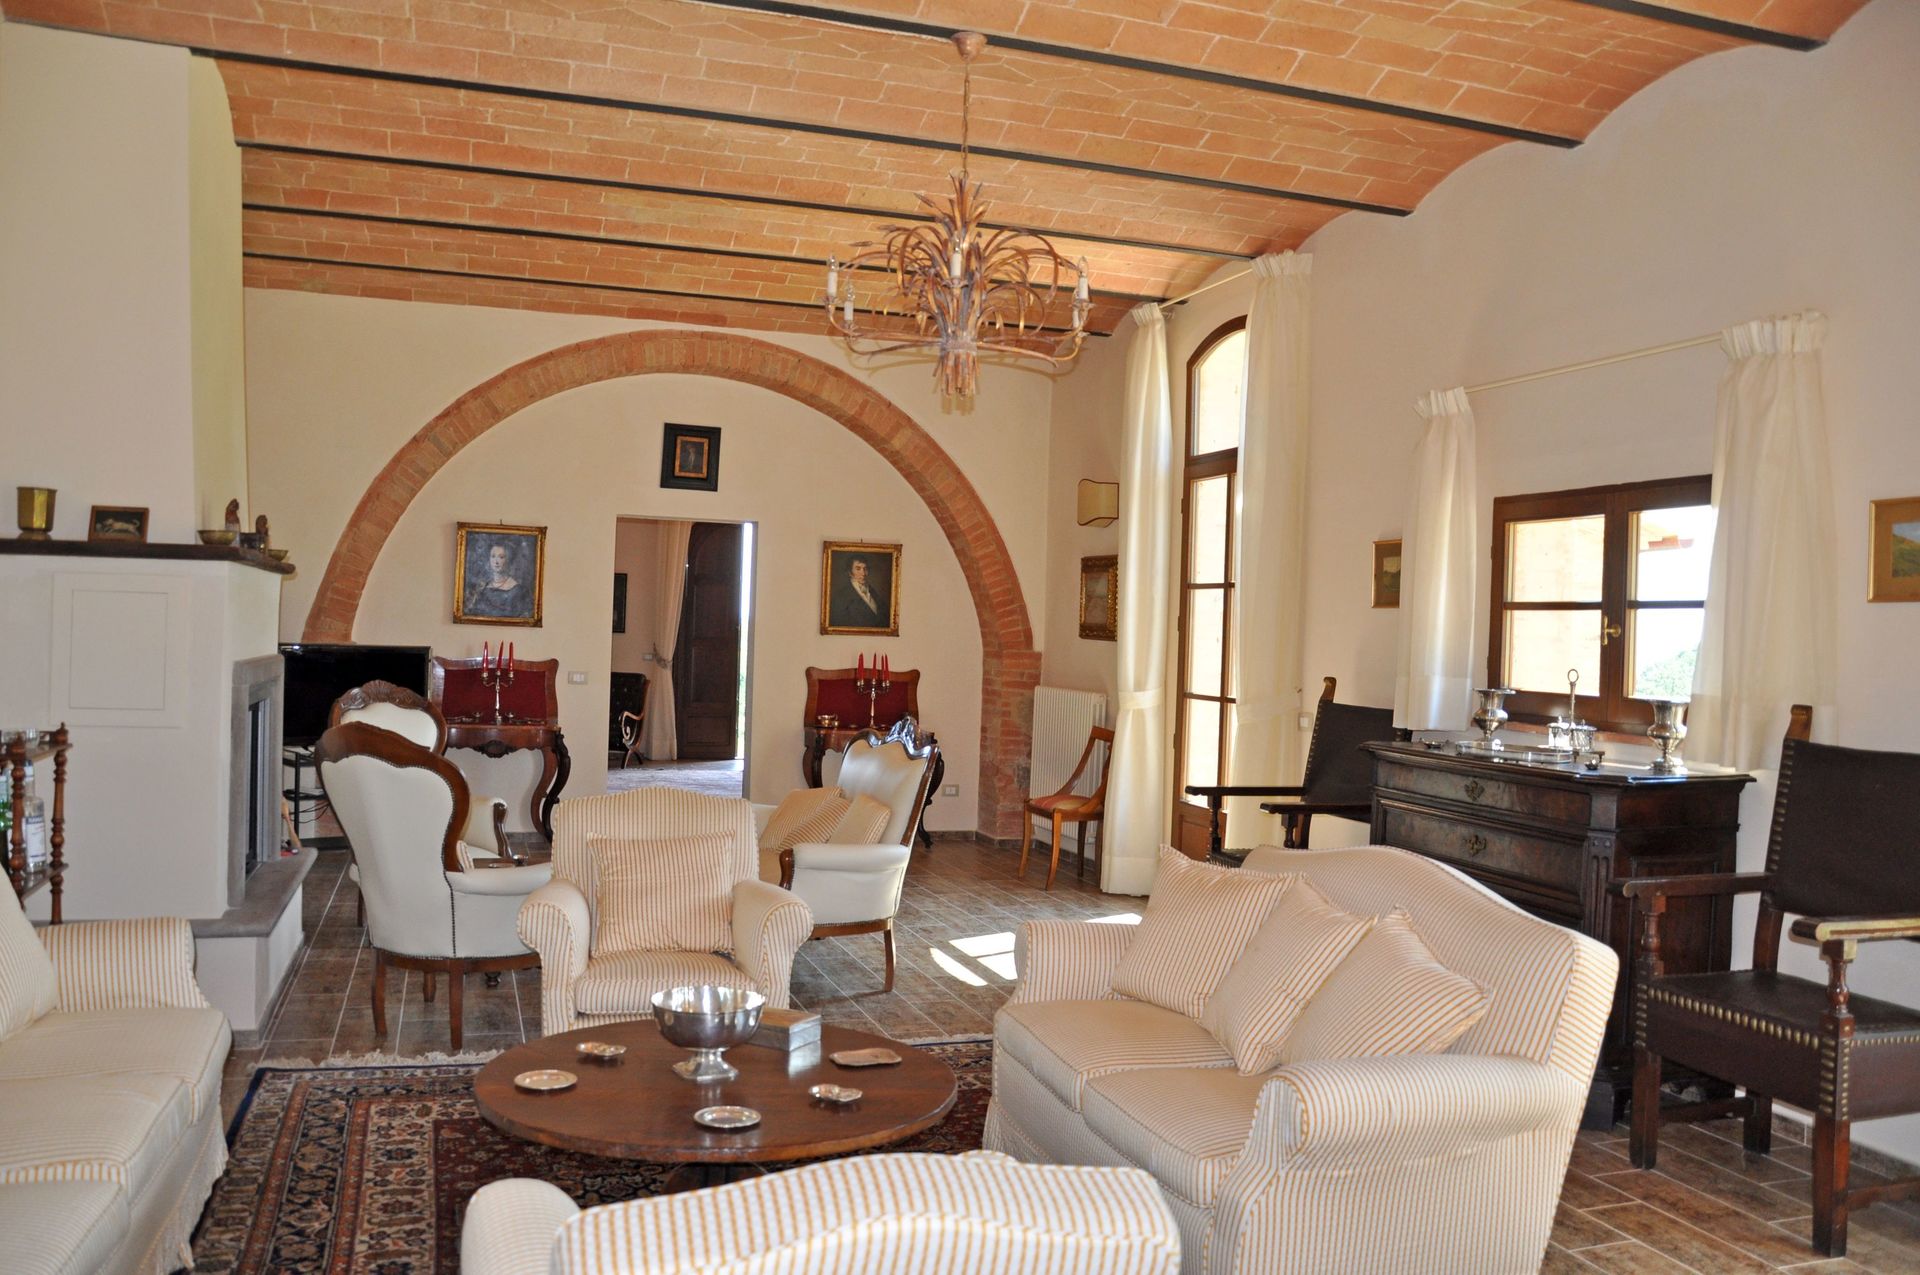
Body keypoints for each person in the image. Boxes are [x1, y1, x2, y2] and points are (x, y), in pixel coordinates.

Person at [466, 541, 531, 618]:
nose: (496, 561)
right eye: (493, 556)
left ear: (508, 559)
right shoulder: (482, 589)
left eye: (501, 557)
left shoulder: (519, 591)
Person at [828, 554, 889, 629]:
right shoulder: (841, 597)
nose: (863, 573)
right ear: (850, 572)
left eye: (865, 569)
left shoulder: (873, 591)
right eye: (858, 569)